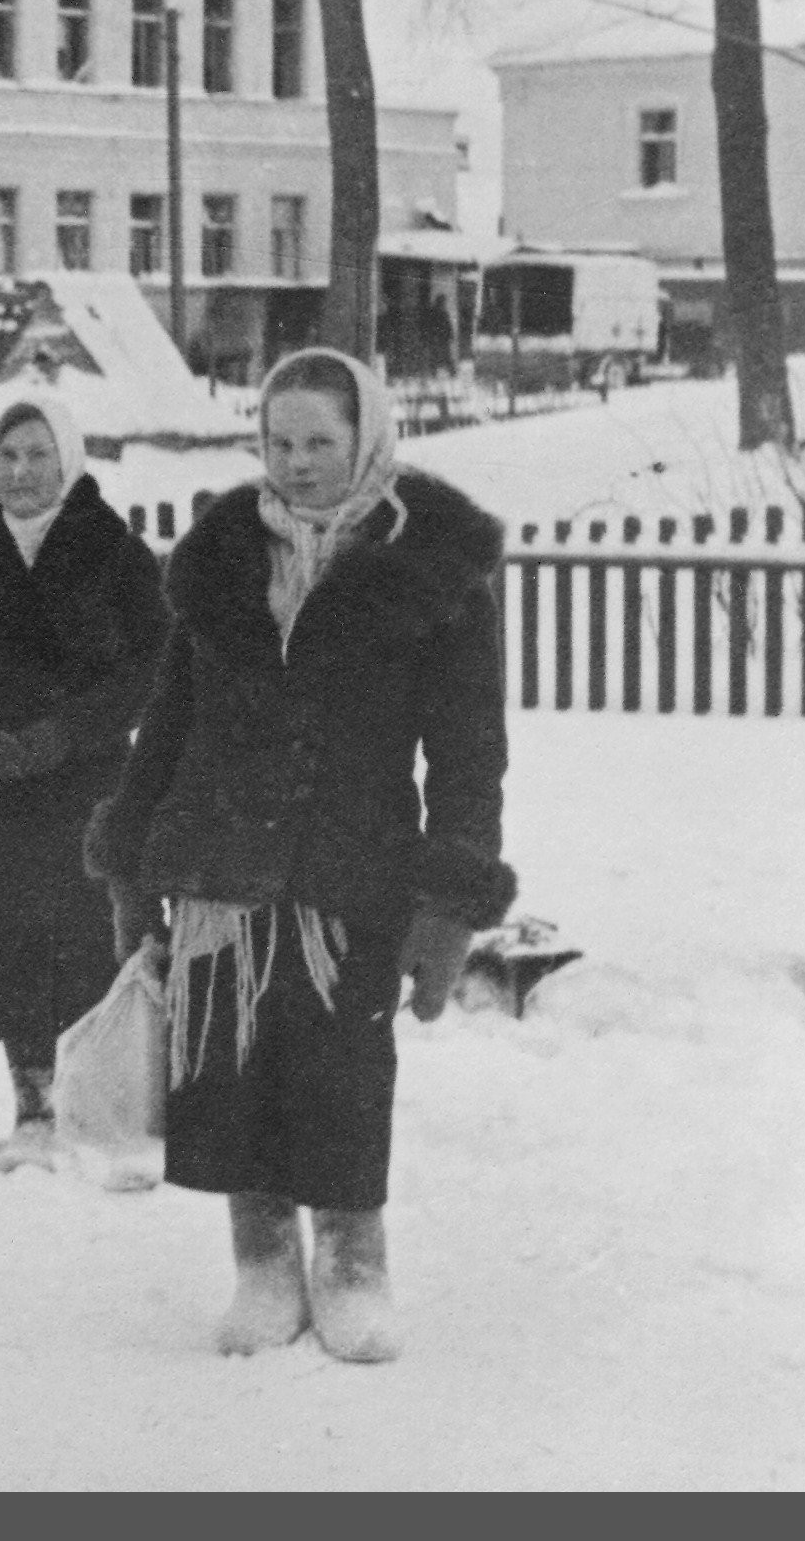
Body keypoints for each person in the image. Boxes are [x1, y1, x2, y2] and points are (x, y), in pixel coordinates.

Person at [86, 348, 513, 1363]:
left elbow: (468, 752)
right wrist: (133, 865)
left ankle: (354, 1265)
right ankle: (264, 1261)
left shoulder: (434, 568)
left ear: (367, 434)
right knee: (230, 1068)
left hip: (350, 867)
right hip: (220, 864)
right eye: (279, 441)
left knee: (342, 1069)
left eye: (321, 440)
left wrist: (449, 900)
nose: (299, 462)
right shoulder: (225, 554)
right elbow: (171, 720)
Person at [0, 394, 165, 1172]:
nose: (20, 472)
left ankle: (75, 1101)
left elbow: (151, 662)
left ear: (68, 459)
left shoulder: (114, 551)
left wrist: (68, 731)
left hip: (81, 784)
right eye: (7, 457)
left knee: (79, 935)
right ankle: (0, 1099)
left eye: (36, 455)